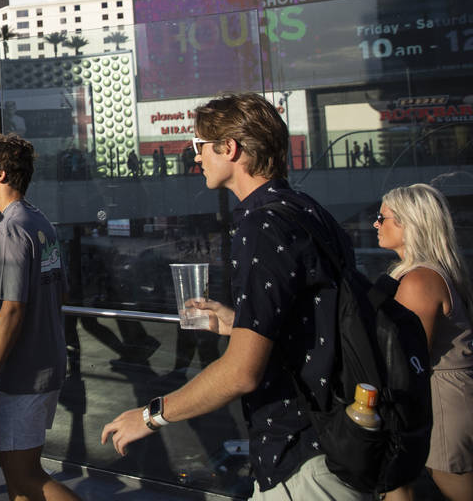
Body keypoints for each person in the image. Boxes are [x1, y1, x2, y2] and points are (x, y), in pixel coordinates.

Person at [102, 92, 365, 499]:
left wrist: (151, 416)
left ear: (230, 148)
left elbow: (242, 372)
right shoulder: (308, 210)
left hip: (299, 458)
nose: (195, 158)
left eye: (199, 146)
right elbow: (314, 320)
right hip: (337, 437)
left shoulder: (261, 226)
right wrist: (236, 322)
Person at [0, 133, 79, 501]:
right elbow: (56, 293)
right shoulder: (41, 222)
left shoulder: (10, 229)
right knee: (19, 485)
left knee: (25, 476)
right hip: (48, 364)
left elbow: (13, 307)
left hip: (22, 376)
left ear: (2, 173)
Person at [375, 184, 473, 501]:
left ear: (408, 224)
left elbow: (408, 359)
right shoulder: (432, 273)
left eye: (383, 217)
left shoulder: (419, 281)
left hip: (443, 400)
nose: (376, 224)